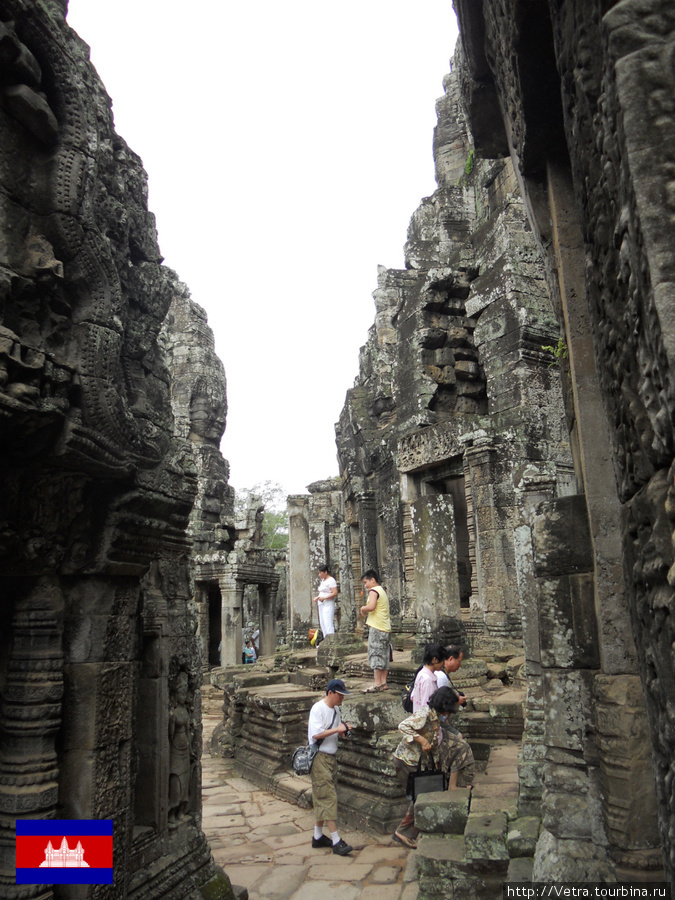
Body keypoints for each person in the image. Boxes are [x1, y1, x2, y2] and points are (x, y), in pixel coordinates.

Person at [392, 687, 463, 849]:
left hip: (417, 761)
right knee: (420, 796)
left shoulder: (434, 717)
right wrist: (421, 740)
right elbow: (403, 726)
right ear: (443, 704)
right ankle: (403, 832)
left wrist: (436, 762)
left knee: (422, 795)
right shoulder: (424, 714)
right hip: (407, 760)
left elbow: (433, 741)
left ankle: (409, 831)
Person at [307, 678, 353, 856]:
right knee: (328, 797)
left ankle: (318, 837)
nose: (341, 699)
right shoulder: (317, 709)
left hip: (331, 757)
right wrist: (337, 729)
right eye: (339, 695)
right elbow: (316, 734)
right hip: (319, 758)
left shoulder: (336, 710)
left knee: (322, 795)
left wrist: (344, 731)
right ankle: (336, 840)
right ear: (330, 693)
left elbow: (337, 733)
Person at [360, 569, 392, 693]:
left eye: (365, 582)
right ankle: (383, 682)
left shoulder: (374, 591)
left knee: (376, 653)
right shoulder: (382, 590)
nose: (365, 585)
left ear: (372, 580)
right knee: (384, 654)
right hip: (385, 627)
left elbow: (372, 606)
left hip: (377, 628)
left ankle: (377, 683)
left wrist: (363, 608)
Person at [411, 643, 448, 711]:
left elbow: (413, 697)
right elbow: (427, 706)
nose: (443, 664)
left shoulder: (420, 673)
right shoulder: (428, 680)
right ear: (435, 660)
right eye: (442, 660)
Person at [312, 566, 338, 639]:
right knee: (323, 623)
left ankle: (331, 640)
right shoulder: (323, 581)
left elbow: (335, 593)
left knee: (328, 623)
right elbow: (323, 592)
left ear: (325, 572)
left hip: (328, 604)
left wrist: (325, 598)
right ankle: (326, 639)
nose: (319, 575)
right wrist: (318, 597)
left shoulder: (331, 580)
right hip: (321, 604)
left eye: (320, 573)